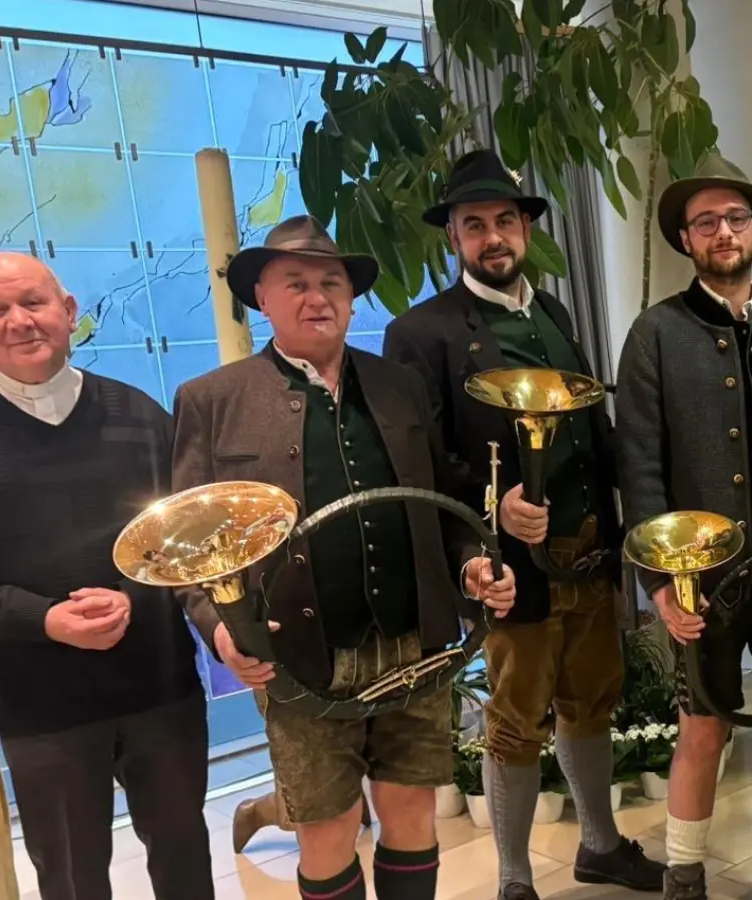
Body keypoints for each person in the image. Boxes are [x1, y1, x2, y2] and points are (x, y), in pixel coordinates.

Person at [170, 215, 516, 900]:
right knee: (328, 830)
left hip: (416, 641)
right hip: (299, 655)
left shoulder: (400, 385)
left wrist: (472, 564)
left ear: (352, 298)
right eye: (295, 283)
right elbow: (187, 547)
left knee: (412, 814)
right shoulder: (211, 401)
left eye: (331, 283)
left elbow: (442, 501)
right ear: (261, 298)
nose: (316, 298)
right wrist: (218, 628)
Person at [384, 149, 665, 900]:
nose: (492, 237)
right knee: (515, 718)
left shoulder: (554, 312)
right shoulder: (421, 332)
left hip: (587, 549)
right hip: (510, 564)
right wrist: (491, 508)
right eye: (474, 225)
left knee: (591, 702)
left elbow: (588, 421)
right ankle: (513, 880)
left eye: (504, 221)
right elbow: (423, 459)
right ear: (453, 237)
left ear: (525, 229)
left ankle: (600, 845)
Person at [0, 252, 214, 900]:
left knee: (184, 860)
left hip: (160, 688)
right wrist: (41, 619)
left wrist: (133, 595)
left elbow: (185, 534)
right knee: (70, 876)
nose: (20, 321)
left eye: (34, 302)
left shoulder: (138, 413)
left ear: (67, 312)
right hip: (37, 704)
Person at [615, 152, 752, 900]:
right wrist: (658, 584)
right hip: (700, 577)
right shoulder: (655, 333)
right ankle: (684, 873)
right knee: (703, 723)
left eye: (735, 218)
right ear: (685, 238)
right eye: (706, 221)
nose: (723, 231)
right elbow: (638, 462)